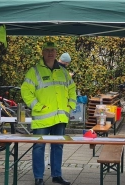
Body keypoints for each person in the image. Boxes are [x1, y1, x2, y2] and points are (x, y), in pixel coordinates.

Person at [21, 42, 76, 185]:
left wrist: (70, 106)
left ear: (56, 53)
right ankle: (38, 177)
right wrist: (37, 106)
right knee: (39, 146)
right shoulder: (34, 71)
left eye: (53, 50)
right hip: (42, 117)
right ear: (43, 53)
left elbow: (72, 90)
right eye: (47, 50)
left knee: (58, 145)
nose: (50, 53)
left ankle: (56, 175)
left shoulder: (63, 72)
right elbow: (26, 91)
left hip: (60, 117)